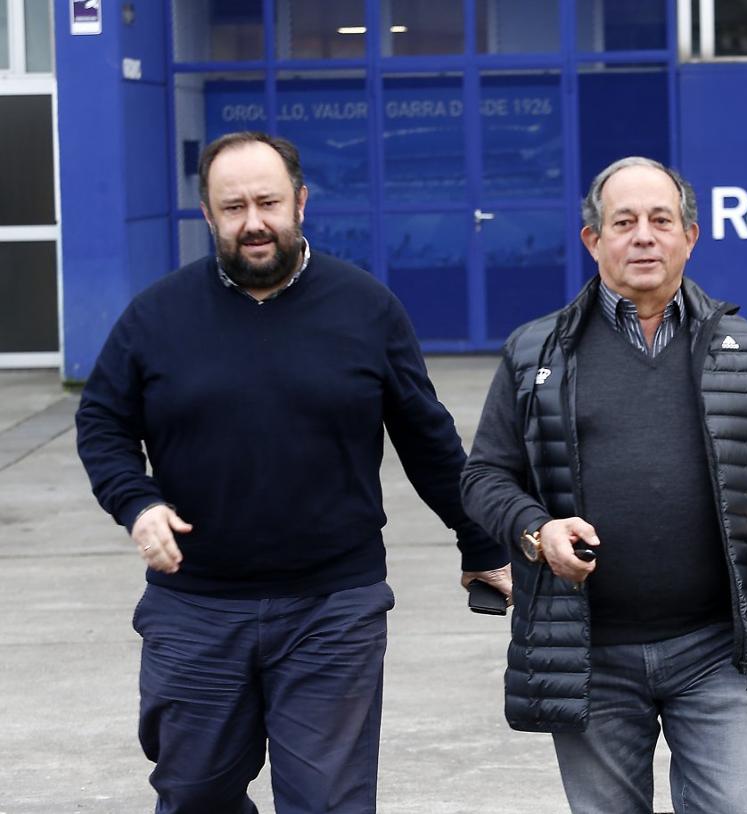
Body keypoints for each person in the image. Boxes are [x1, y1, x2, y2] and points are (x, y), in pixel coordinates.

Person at [75, 131, 511, 814]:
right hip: (194, 604)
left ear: (300, 202)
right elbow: (101, 421)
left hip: (332, 606)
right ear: (207, 216)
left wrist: (481, 542)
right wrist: (137, 503)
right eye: (233, 206)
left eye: (268, 202)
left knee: (327, 803)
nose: (253, 222)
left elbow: (426, 437)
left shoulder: (365, 308)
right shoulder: (155, 317)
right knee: (194, 797)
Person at [459, 156, 747, 814]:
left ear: (690, 235)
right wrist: (537, 530)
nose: (643, 235)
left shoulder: (738, 347)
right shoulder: (534, 351)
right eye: (623, 221)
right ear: (592, 240)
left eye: (661, 220)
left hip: (718, 649)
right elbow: (485, 475)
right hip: (590, 653)